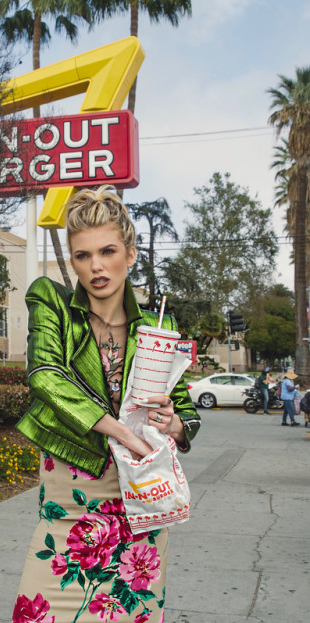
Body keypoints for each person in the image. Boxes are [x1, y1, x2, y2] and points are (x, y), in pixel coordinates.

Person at [13, 186, 200, 623]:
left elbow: (186, 411)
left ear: (130, 254)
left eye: (108, 251)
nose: (96, 266)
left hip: (141, 495)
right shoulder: (53, 303)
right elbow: (45, 375)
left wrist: (174, 424)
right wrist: (121, 431)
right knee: (36, 611)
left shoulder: (161, 325)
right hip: (71, 493)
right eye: (82, 256)